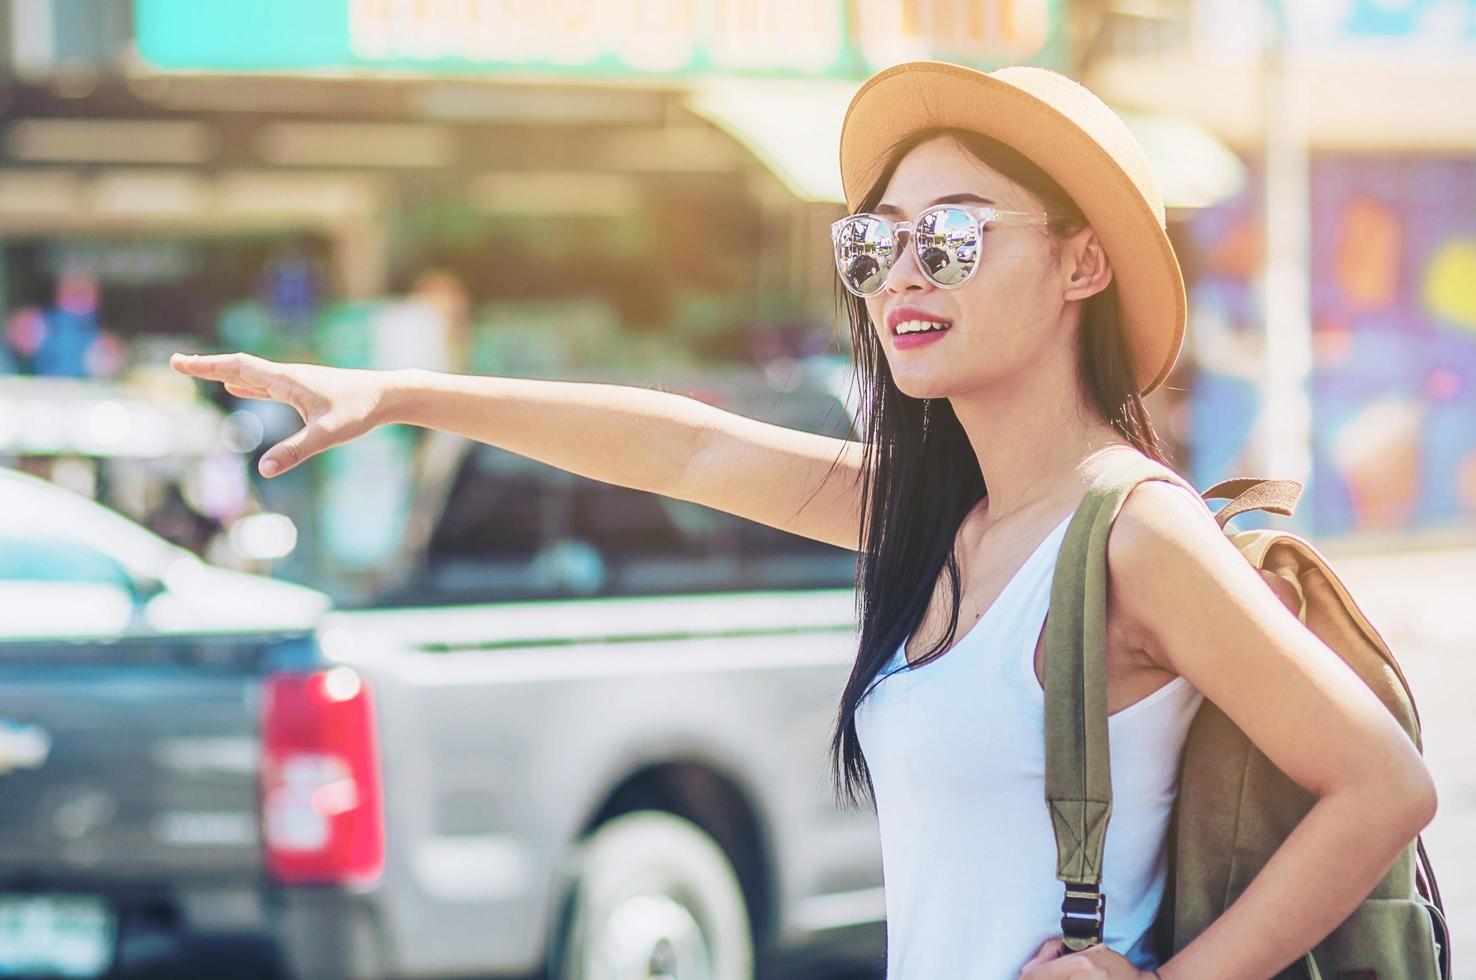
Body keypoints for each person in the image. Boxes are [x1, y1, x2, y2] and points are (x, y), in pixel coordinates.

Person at [169, 61, 1436, 980]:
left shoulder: (1135, 534)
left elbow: (1382, 781)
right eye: (873, 245)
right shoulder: (945, 523)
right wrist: (402, 394)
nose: (899, 279)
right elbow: (689, 443)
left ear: (1080, 263)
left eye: (948, 238)